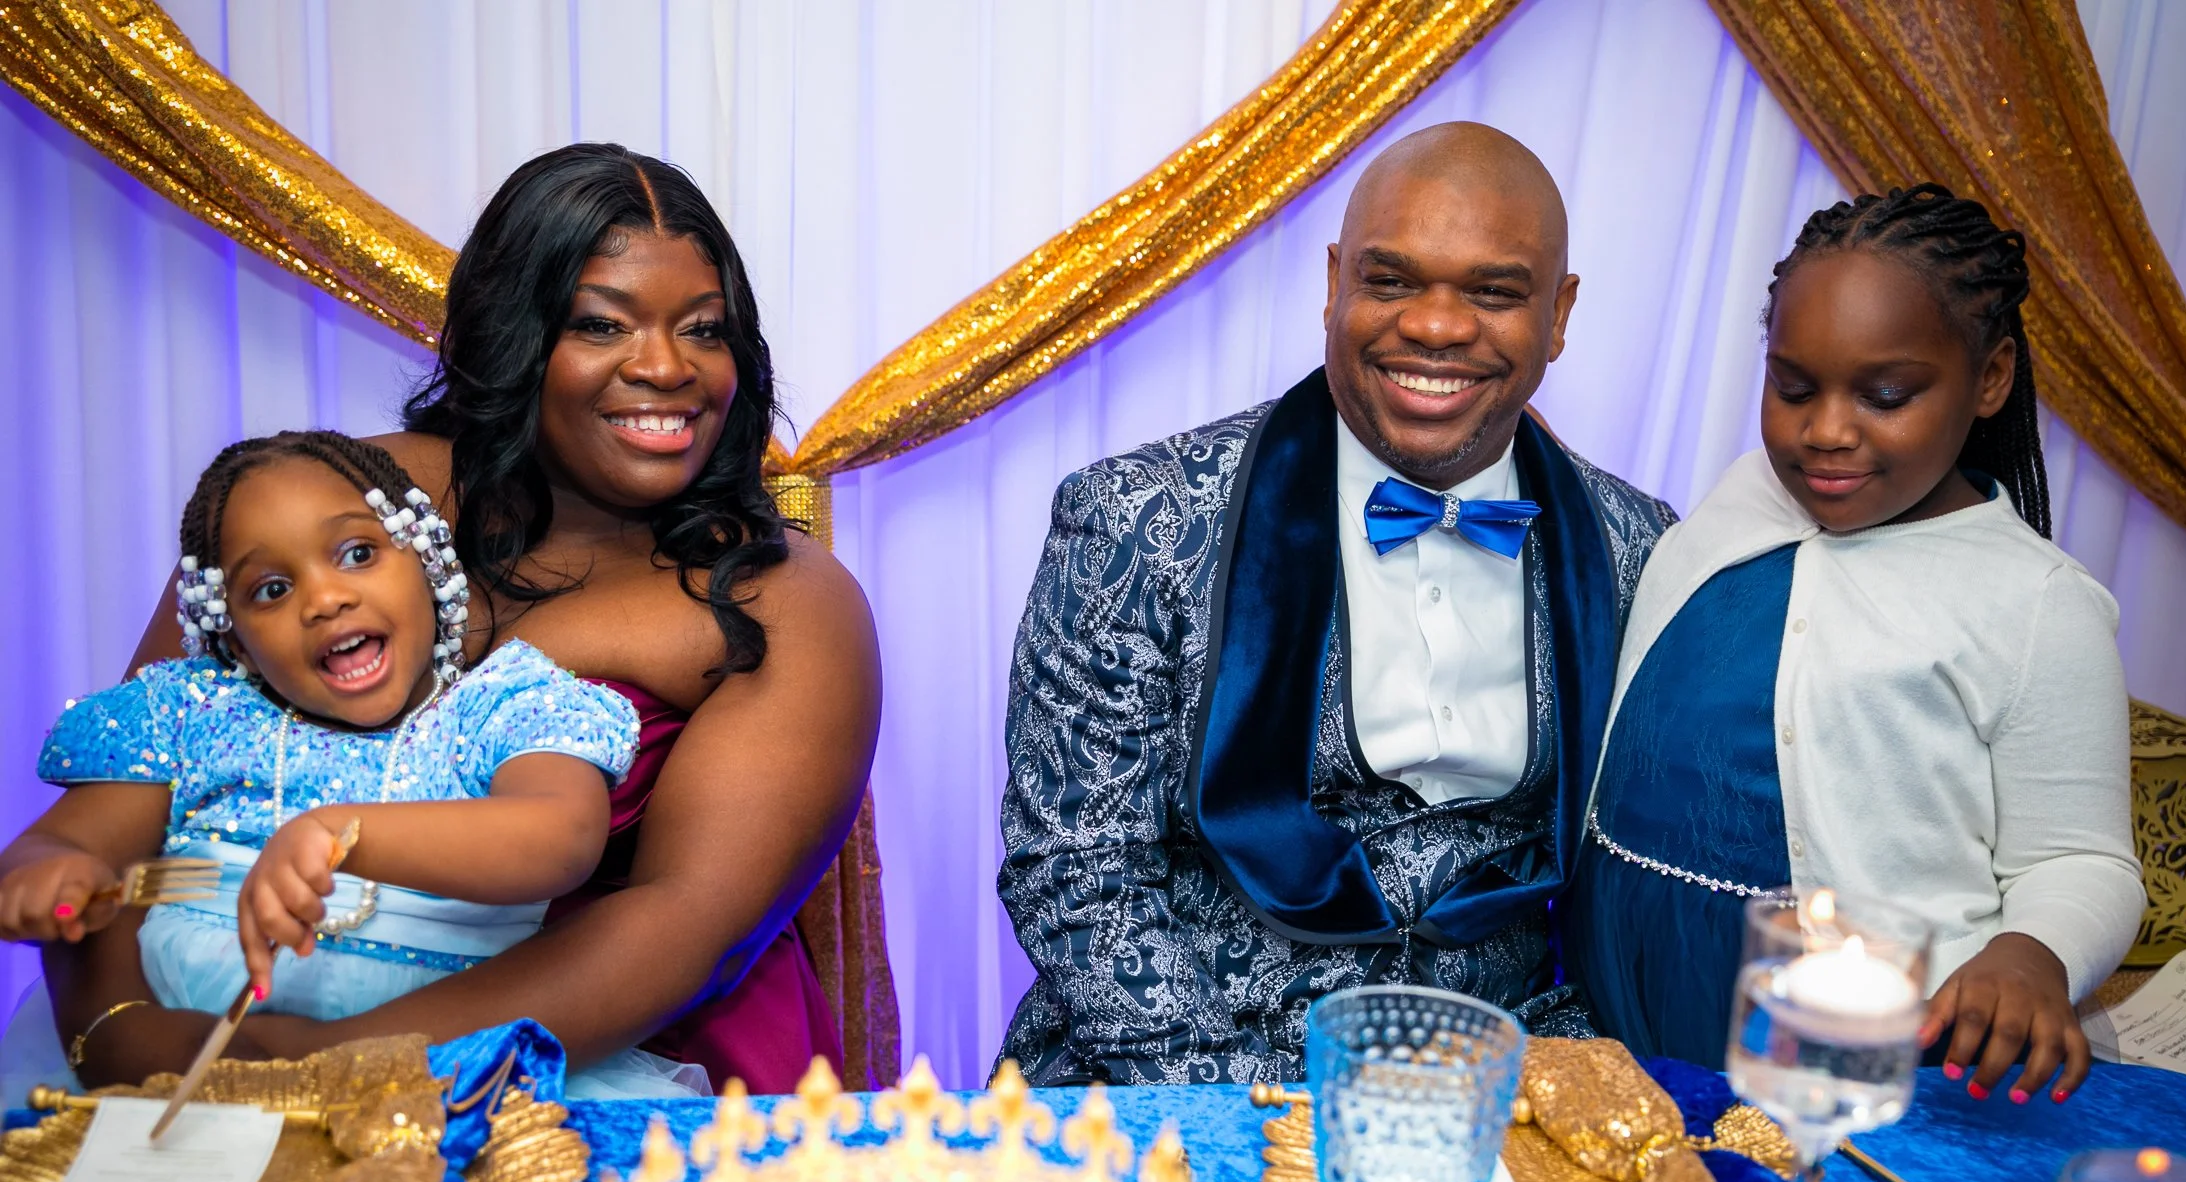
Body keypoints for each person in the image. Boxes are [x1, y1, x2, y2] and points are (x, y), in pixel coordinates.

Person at [53, 145, 881, 1094]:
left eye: (704, 329)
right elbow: (131, 782)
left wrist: (302, 1070)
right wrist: (110, 1029)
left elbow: (681, 924)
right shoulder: (333, 505)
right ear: (515, 337)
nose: (666, 367)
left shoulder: (777, 598)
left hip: (598, 1047)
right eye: (603, 325)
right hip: (201, 1018)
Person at [996, 123, 1673, 1085]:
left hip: (1503, 1083)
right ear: (1334, 283)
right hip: (1177, 1074)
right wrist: (1248, 1120)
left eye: (1494, 291)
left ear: (1559, 314)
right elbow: (1076, 872)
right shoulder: (1133, 521)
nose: (1436, 326)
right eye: (1392, 281)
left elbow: (1642, 871)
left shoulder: (1638, 548)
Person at [1567, 184, 2144, 1102]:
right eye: (1793, 387)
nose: (1827, 433)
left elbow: (2082, 859)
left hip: (1846, 1041)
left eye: (1885, 395)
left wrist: (2032, 954)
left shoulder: (2036, 602)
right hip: (1615, 1006)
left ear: (1989, 377)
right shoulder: (1746, 495)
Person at [0, 432, 707, 1098]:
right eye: (271, 589)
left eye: (358, 554)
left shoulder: (507, 705)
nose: (326, 598)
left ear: (429, 567)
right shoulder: (189, 713)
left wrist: (344, 831)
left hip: (438, 1079)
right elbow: (73, 841)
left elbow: (562, 837)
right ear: (238, 641)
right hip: (181, 1065)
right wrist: (45, 871)